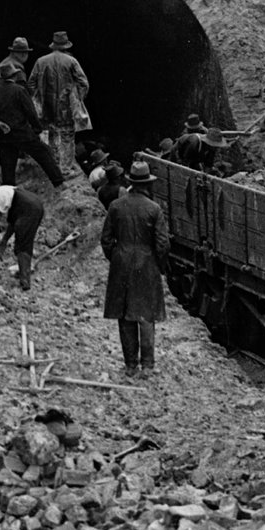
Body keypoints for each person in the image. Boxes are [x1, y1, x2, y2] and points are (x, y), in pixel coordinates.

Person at [101, 159, 167, 375]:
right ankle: (147, 365)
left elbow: (106, 240)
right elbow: (162, 244)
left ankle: (130, 366)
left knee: (125, 314)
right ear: (147, 184)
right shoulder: (154, 209)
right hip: (146, 264)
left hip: (121, 264)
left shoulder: (116, 206)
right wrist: (158, 264)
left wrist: (117, 258)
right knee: (146, 315)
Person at [0, 66, 64, 187]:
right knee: (43, 153)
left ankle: (9, 193)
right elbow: (30, 112)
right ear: (15, 76)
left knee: (7, 170)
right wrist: (37, 129)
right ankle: (58, 181)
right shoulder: (19, 90)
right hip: (21, 133)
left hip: (3, 137)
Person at [30, 31, 91, 176]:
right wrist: (77, 99)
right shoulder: (71, 61)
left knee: (51, 134)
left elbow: (31, 84)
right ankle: (65, 169)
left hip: (46, 106)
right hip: (66, 107)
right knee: (67, 137)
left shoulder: (40, 61)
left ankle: (52, 165)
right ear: (65, 46)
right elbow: (84, 83)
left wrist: (37, 101)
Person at [0, 181, 46, 290]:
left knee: (22, 244)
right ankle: (25, 274)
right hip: (35, 203)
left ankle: (25, 280)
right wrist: (4, 242)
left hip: (26, 208)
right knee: (25, 240)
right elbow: (14, 222)